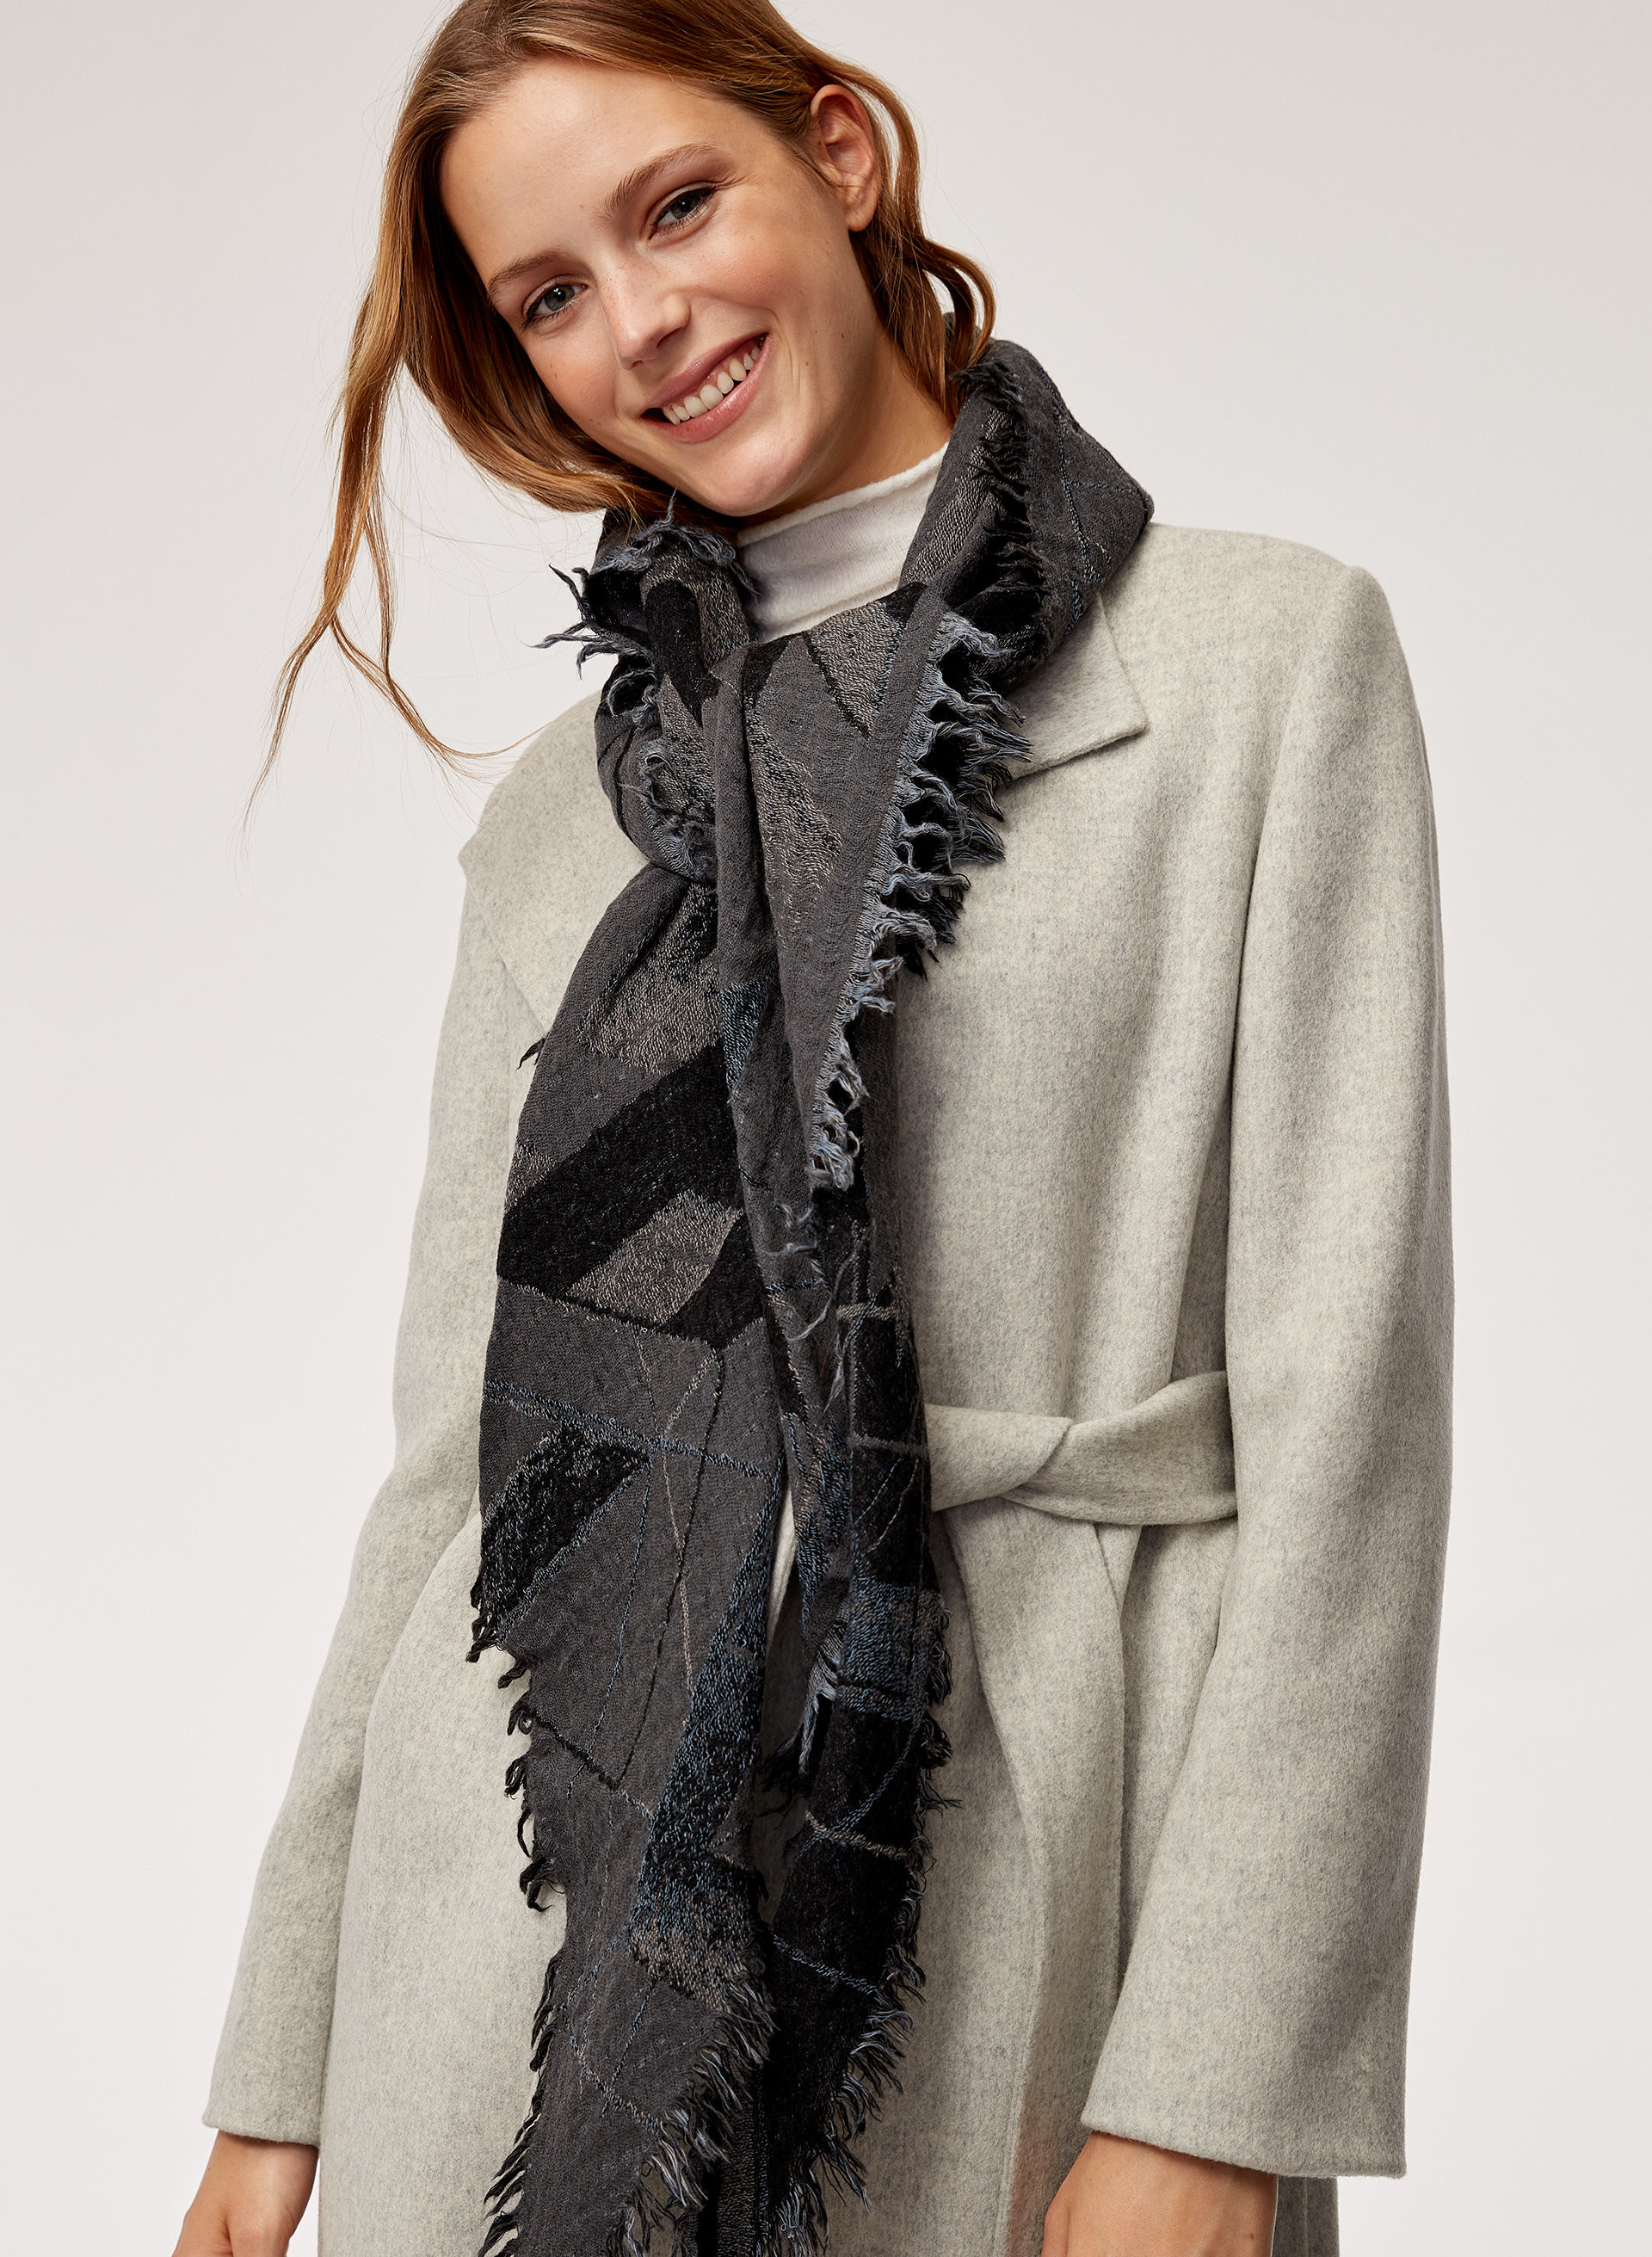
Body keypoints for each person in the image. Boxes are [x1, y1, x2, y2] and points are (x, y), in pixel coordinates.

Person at [172, 5, 1452, 2255]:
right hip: (528, 1945)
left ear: (839, 153)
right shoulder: (574, 816)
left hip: (1028, 1858)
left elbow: (1352, 1439)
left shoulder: (1262, 668)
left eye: (676, 205)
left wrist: (1217, 2091)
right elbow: (456, 1483)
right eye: (550, 293)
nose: (641, 322)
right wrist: (279, 2076)